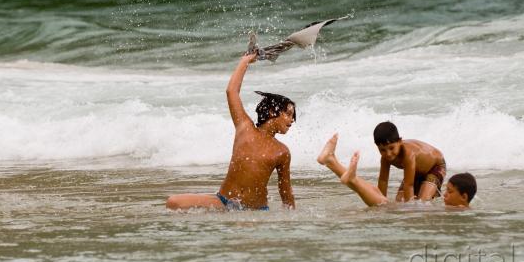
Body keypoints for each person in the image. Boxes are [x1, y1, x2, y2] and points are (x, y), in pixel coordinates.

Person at [166, 53, 296, 211]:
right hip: (223, 201)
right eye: (288, 114)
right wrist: (246, 60)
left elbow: (285, 190)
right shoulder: (245, 128)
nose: (292, 120)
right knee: (173, 202)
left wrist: (291, 220)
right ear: (271, 111)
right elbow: (231, 91)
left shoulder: (282, 152)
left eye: (293, 116)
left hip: (255, 209)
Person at [322, 147, 477, 208]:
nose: (444, 194)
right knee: (384, 204)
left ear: (464, 197)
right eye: (446, 190)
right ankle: (339, 168)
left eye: (449, 192)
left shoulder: (458, 211)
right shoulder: (455, 210)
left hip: (431, 166)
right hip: (422, 168)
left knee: (386, 204)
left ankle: (334, 164)